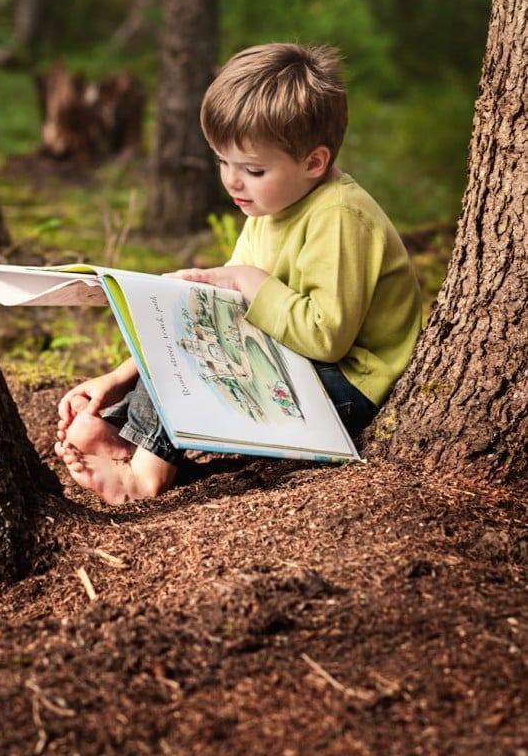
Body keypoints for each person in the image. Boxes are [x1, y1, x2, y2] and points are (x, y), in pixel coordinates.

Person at [55, 43, 423, 504]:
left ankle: (146, 475)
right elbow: (215, 317)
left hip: (352, 382)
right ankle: (122, 433)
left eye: (252, 168)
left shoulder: (341, 217)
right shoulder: (269, 205)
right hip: (298, 360)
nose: (231, 181)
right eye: (222, 161)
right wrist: (118, 377)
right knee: (192, 342)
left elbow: (327, 338)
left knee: (205, 372)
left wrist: (250, 282)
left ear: (314, 162)